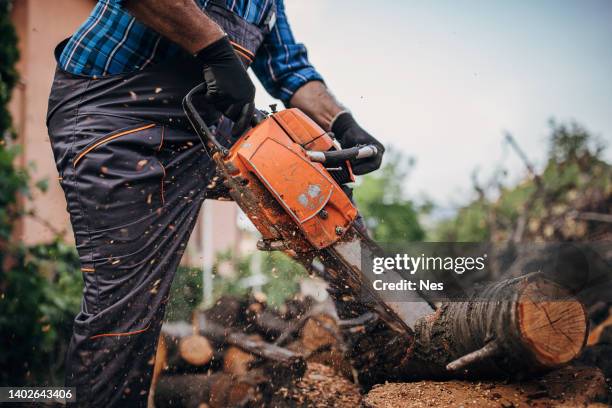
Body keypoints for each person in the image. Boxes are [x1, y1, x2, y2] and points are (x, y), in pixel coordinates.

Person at [46, 0, 384, 405]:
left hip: (202, 125)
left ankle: (383, 343)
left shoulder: (268, 5)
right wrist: (214, 48)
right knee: (127, 307)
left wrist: (344, 123)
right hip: (115, 111)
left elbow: (289, 70)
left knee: (320, 194)